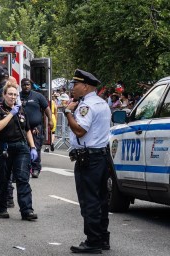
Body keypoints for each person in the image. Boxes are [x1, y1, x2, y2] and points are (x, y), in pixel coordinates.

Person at [64, 69, 111, 254]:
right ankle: (102, 238)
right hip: (101, 156)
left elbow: (80, 130)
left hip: (88, 159)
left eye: (75, 84)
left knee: (89, 200)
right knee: (101, 200)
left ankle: (93, 241)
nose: (73, 88)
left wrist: (68, 112)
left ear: (85, 86)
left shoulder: (86, 106)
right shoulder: (102, 103)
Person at [0, 83, 38, 220]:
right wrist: (11, 114)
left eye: (15, 94)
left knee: (23, 179)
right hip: (4, 147)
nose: (13, 97)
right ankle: (2, 208)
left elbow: (27, 129)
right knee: (4, 180)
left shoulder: (21, 110)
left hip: (21, 147)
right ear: (4, 95)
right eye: (10, 94)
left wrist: (33, 147)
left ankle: (27, 210)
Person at [20, 78, 53, 178]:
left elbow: (46, 108)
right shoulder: (18, 96)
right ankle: (25, 168)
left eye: (28, 85)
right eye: (24, 85)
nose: (26, 86)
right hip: (22, 128)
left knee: (36, 148)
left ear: (30, 85)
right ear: (21, 86)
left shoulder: (38, 96)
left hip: (36, 128)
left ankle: (35, 169)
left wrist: (50, 120)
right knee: (23, 148)